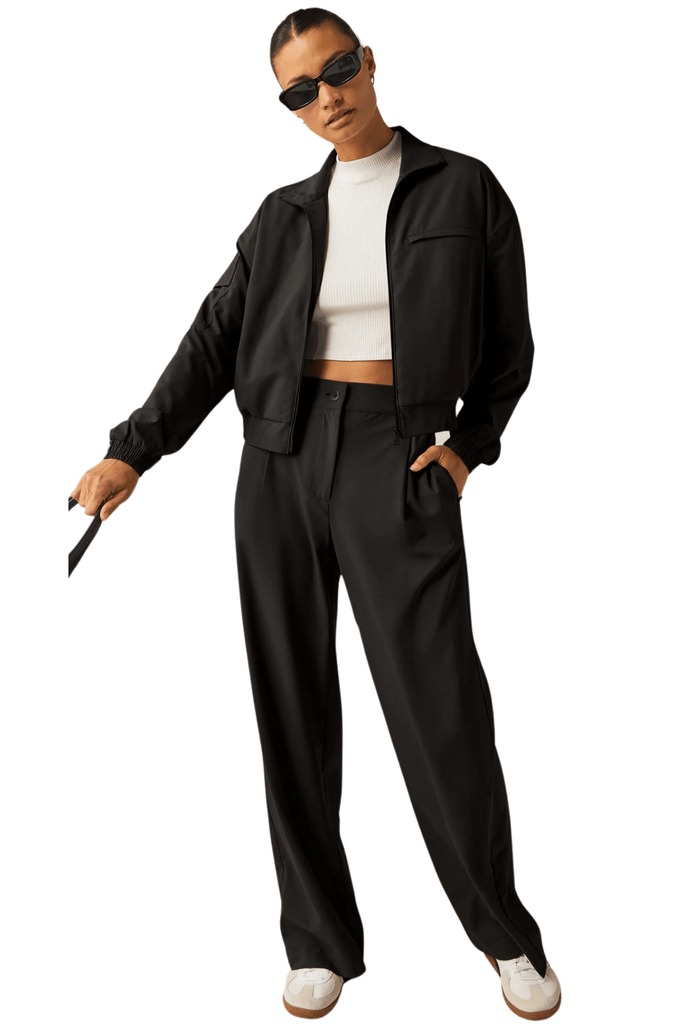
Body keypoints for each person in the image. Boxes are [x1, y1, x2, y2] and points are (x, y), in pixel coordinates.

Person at [70, 9, 561, 1020]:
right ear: (288, 106)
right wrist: (131, 449)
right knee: (290, 701)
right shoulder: (282, 214)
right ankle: (317, 940)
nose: (325, 97)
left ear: (368, 63)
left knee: (439, 706)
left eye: (335, 71)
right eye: (299, 90)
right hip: (277, 458)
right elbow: (213, 339)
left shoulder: (461, 187)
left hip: (398, 453)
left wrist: (466, 448)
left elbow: (509, 343)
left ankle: (504, 936)